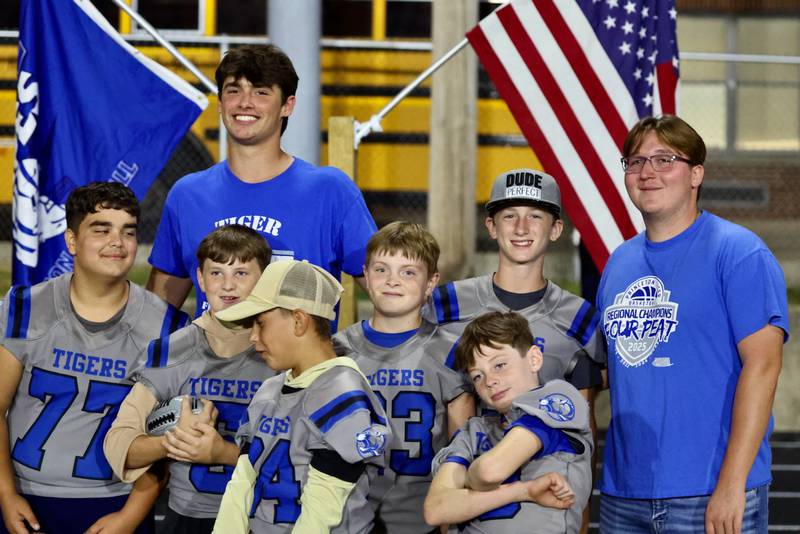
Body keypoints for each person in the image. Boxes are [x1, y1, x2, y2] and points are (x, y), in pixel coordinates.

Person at [597, 115, 790, 533]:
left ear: (696, 174)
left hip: (710, 490)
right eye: (635, 162)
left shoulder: (739, 253)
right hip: (623, 494)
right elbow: (612, 368)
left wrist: (732, 483)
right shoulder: (619, 263)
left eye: (664, 160)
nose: (647, 173)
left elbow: (763, 367)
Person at [0, 182, 189, 534]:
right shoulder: (25, 309)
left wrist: (130, 516)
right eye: (102, 230)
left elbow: (166, 434)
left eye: (128, 231)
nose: (117, 242)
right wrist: (6, 493)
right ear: (72, 240)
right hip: (27, 497)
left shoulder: (167, 327)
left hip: (117, 500)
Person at [146, 44, 376, 323]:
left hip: (298, 352)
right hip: (213, 352)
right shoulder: (187, 195)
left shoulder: (330, 191)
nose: (245, 102)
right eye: (234, 90)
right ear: (220, 103)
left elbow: (391, 292)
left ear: (287, 105)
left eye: (261, 92)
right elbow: (154, 316)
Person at [104, 224, 276, 534]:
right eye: (216, 273)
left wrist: (223, 453)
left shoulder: (283, 349)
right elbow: (119, 446)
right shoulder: (174, 349)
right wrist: (174, 441)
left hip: (265, 517)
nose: (228, 285)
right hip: (187, 519)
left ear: (264, 278)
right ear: (200, 278)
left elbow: (303, 456)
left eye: (241, 273)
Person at [212, 259, 390, 533]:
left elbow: (321, 512)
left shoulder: (342, 393)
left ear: (298, 321)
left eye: (260, 323)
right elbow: (241, 485)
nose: (253, 337)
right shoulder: (269, 390)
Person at [333, 221, 474, 533]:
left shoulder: (451, 353)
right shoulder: (337, 351)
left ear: (431, 282)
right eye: (381, 269)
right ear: (365, 274)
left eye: (408, 272)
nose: (392, 281)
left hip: (421, 520)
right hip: (345, 519)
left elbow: (460, 452)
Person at [425, 168, 606, 410]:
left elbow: (598, 389)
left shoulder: (579, 316)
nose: (521, 228)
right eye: (510, 216)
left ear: (555, 229)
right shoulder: (448, 302)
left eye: (535, 216)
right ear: (492, 226)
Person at [424, 311, 592, 533]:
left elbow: (489, 472)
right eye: (477, 376)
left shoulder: (558, 398)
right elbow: (435, 510)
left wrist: (467, 480)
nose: (490, 381)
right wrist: (524, 491)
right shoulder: (474, 429)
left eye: (500, 365)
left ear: (534, 359)